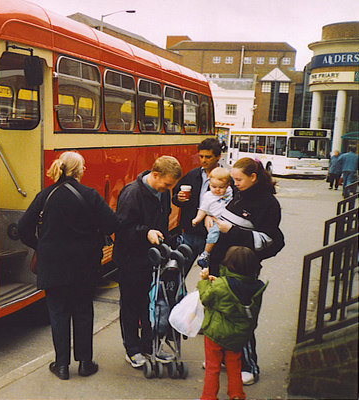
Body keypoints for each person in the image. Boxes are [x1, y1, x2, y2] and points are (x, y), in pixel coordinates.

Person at [17, 151, 119, 380]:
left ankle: (61, 365)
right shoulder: (89, 195)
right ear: (78, 170)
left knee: (58, 314)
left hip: (53, 266)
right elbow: (112, 223)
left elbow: (23, 228)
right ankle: (85, 363)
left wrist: (41, 246)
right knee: (83, 311)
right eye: (83, 166)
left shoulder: (45, 195)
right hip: (85, 266)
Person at [209, 157, 284, 385]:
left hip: (243, 270)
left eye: (239, 179)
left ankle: (249, 365)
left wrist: (231, 231)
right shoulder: (240, 195)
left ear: (253, 177)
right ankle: (224, 358)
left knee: (242, 318)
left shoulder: (268, 204)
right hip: (223, 265)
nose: (235, 183)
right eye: (233, 179)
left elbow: (272, 241)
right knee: (222, 314)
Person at [112, 156, 182, 368]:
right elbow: (122, 229)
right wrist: (146, 233)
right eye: (167, 184)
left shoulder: (163, 192)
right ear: (155, 174)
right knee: (132, 306)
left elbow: (162, 221)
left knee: (149, 305)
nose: (168, 188)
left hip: (152, 258)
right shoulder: (132, 193)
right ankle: (132, 350)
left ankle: (148, 346)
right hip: (131, 259)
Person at [198, 246, 268, 400]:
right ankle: (236, 394)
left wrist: (204, 281)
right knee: (234, 366)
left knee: (213, 366)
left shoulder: (222, 284)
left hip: (216, 333)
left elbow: (206, 298)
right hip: (238, 335)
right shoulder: (256, 286)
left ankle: (208, 396)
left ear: (229, 264)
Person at [173, 138, 229, 268]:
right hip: (189, 233)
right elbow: (175, 197)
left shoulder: (226, 179)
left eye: (208, 157)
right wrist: (178, 198)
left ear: (218, 156)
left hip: (212, 237)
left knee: (210, 274)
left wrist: (211, 215)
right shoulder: (192, 175)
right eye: (201, 156)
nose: (203, 160)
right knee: (178, 272)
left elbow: (231, 207)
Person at [190, 167, 234, 267]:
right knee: (214, 233)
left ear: (227, 186)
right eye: (214, 187)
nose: (217, 190)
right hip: (216, 221)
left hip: (229, 220)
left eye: (221, 187)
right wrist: (197, 219)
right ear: (209, 184)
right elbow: (202, 209)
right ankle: (206, 253)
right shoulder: (208, 196)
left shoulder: (230, 191)